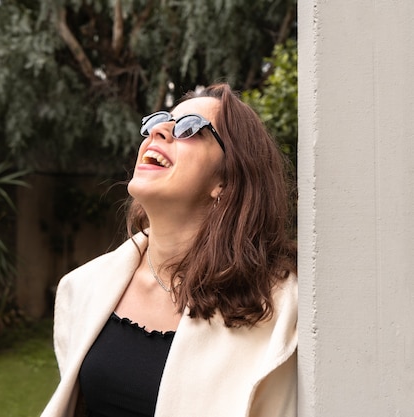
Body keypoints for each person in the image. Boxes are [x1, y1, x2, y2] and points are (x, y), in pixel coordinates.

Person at [40, 83, 298, 417]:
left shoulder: (282, 306)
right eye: (157, 122)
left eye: (190, 128)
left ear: (226, 180)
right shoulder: (82, 288)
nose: (158, 131)